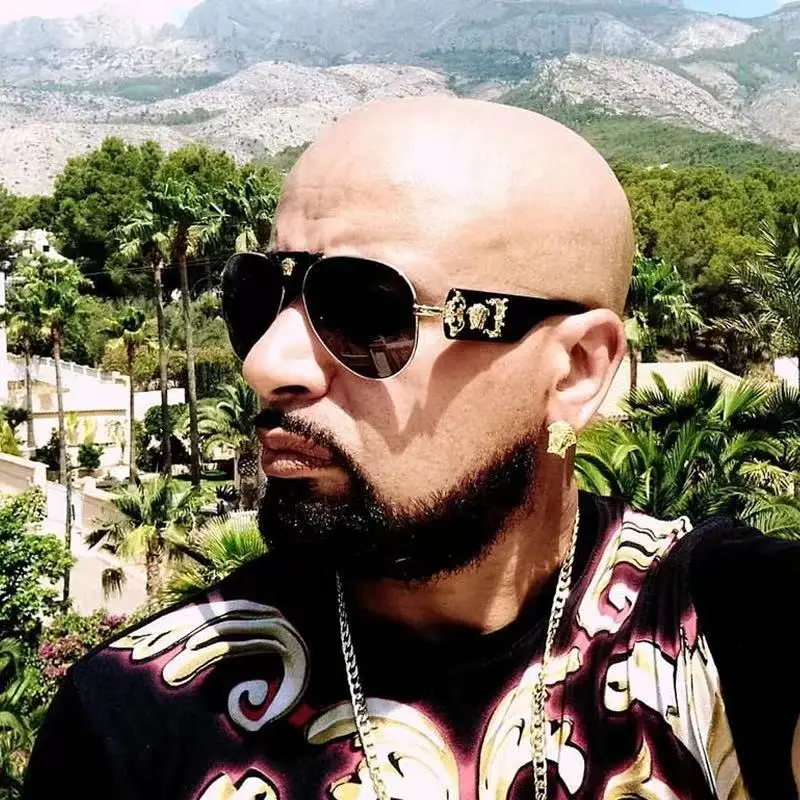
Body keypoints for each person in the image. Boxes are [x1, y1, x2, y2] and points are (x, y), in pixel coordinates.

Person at [23, 97, 800, 800]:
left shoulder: (738, 632)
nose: (267, 363)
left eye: (368, 312)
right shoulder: (141, 716)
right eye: (260, 297)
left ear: (574, 369)